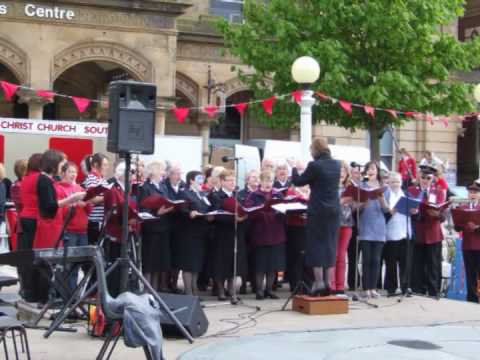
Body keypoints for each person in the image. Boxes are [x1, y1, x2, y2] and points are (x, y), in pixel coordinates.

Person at [289, 138, 341, 296]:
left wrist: (293, 168)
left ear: (315, 150)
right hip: (333, 211)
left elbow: (298, 181)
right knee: (330, 244)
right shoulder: (337, 164)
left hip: (318, 211)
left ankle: (318, 282)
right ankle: (327, 283)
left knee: (315, 245)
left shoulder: (315, 166)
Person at [34, 150, 85, 302]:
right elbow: (48, 207)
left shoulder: (47, 180)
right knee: (49, 263)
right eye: (62, 164)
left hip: (53, 225)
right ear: (53, 163)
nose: (62, 167)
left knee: (53, 264)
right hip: (49, 226)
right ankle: (47, 297)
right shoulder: (44, 180)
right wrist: (70, 199)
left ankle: (52, 296)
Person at [244, 170, 286, 299]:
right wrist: (262, 210)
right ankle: (259, 290)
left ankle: (269, 289)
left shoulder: (278, 194)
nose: (269, 183)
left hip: (276, 233)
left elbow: (284, 210)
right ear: (261, 181)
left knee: (273, 265)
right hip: (260, 233)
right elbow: (248, 211)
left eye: (271, 180)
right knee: (260, 264)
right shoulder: (253, 195)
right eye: (266, 180)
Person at [209, 170, 248, 300]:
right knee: (221, 263)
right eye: (229, 180)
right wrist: (234, 219)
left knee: (234, 262)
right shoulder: (216, 196)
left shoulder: (238, 195)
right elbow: (216, 215)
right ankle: (220, 290)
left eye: (233, 180)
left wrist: (244, 216)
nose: (233, 183)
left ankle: (232, 289)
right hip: (222, 234)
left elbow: (244, 210)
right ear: (222, 182)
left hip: (237, 233)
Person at [409, 165, 447, 298]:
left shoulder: (438, 192)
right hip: (418, 231)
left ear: (433, 179)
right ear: (419, 177)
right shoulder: (412, 190)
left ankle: (434, 290)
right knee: (417, 262)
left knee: (433, 264)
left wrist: (437, 213)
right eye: (423, 177)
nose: (425, 180)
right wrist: (413, 212)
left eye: (428, 178)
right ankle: (417, 288)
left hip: (433, 232)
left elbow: (443, 213)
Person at [138, 161, 174, 291]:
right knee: (150, 261)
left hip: (163, 227)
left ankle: (156, 289)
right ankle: (147, 289)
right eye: (161, 170)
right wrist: (156, 212)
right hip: (151, 228)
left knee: (160, 261)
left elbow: (167, 200)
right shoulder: (145, 187)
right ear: (153, 171)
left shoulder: (163, 187)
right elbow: (142, 208)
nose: (163, 173)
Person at [357, 161, 389, 299]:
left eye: (373, 169)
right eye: (368, 169)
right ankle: (366, 288)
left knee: (376, 260)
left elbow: (386, 209)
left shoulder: (384, 188)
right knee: (366, 259)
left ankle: (373, 287)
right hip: (365, 225)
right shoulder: (361, 187)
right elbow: (356, 208)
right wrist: (364, 201)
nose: (371, 171)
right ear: (365, 172)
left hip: (379, 227)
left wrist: (381, 198)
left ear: (377, 171)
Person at [178, 171, 213, 296]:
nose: (201, 181)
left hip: (201, 232)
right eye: (199, 178)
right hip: (189, 232)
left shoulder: (202, 194)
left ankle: (194, 289)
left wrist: (210, 215)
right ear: (191, 180)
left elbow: (207, 208)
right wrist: (189, 213)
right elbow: (181, 209)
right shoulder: (184, 192)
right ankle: (188, 292)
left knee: (197, 263)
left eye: (202, 179)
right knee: (188, 263)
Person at [58, 162, 91, 291]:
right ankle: (67, 293)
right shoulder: (59, 188)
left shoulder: (80, 188)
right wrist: (73, 202)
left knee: (78, 263)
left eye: (75, 172)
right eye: (70, 171)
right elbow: (61, 212)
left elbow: (88, 210)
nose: (73, 174)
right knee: (68, 264)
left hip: (82, 230)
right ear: (63, 173)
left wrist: (86, 203)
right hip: (69, 230)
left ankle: (73, 292)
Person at [17, 153, 42, 302]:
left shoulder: (25, 179)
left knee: (26, 257)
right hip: (34, 219)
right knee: (34, 257)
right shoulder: (39, 179)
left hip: (25, 217)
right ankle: (33, 291)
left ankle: (27, 290)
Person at [384, 172, 412, 296]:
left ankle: (405, 287)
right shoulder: (386, 194)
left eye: (398, 181)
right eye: (393, 181)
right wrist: (391, 212)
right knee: (391, 263)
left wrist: (414, 211)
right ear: (388, 182)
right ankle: (391, 288)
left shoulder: (406, 194)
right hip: (390, 233)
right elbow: (382, 214)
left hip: (405, 232)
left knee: (405, 263)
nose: (396, 184)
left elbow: (415, 212)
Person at [454, 180, 480, 303]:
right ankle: (472, 298)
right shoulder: (462, 208)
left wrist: (477, 227)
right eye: (471, 191)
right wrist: (458, 224)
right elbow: (458, 226)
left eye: (476, 192)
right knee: (470, 273)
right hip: (468, 245)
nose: (473, 194)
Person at [331, 161, 353, 294]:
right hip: (333, 224)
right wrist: (340, 202)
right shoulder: (329, 187)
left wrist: (360, 203)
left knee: (341, 255)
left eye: (344, 171)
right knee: (332, 255)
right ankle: (331, 285)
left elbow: (354, 208)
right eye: (339, 171)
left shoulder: (350, 188)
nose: (341, 174)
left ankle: (340, 286)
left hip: (347, 224)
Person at [164, 161, 186, 292]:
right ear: (169, 175)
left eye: (179, 173)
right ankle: (166, 283)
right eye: (176, 174)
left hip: (181, 225)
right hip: (168, 222)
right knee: (169, 255)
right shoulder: (165, 186)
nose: (178, 176)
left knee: (178, 255)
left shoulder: (183, 185)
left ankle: (174, 282)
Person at [238, 169, 260, 294]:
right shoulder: (241, 193)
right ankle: (243, 283)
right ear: (247, 180)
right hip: (245, 228)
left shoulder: (260, 193)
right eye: (253, 177)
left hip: (257, 229)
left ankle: (255, 283)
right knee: (244, 257)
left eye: (257, 177)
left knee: (256, 257)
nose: (256, 179)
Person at [84, 153, 110, 245]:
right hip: (95, 222)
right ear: (95, 165)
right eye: (105, 165)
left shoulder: (102, 179)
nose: (107, 167)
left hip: (102, 221)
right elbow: (92, 199)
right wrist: (109, 196)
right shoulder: (91, 178)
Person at [347, 162, 363, 290]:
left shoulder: (362, 186)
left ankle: (357, 280)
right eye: (354, 172)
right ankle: (352, 282)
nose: (357, 175)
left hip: (362, 223)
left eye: (359, 173)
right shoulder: (349, 186)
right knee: (352, 254)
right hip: (351, 222)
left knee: (357, 255)